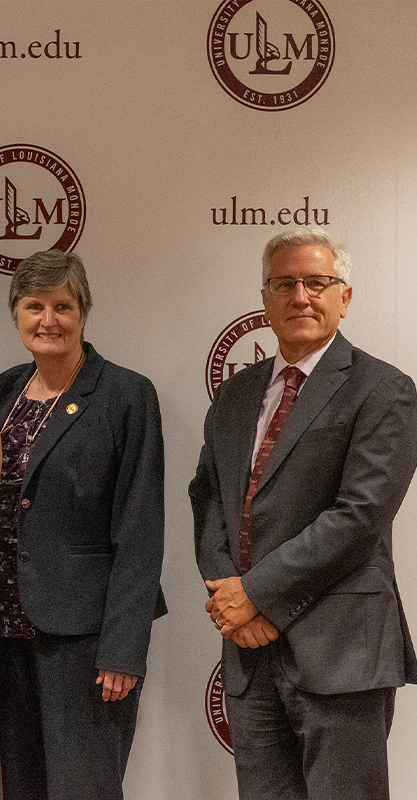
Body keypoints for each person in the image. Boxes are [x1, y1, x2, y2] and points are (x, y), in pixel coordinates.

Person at [191, 227, 417, 800]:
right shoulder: (236, 395)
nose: (300, 297)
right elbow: (209, 498)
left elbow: (360, 516)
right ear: (265, 300)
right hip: (248, 651)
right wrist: (232, 600)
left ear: (345, 297)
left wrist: (256, 595)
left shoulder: (384, 389)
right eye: (284, 284)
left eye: (317, 283)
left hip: (340, 652)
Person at [0, 249, 165, 800]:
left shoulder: (126, 395)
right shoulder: (4, 390)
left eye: (62, 306)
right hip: (8, 627)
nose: (48, 320)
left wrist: (123, 650)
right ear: (16, 315)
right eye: (34, 306)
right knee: (24, 787)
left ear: (83, 312)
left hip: (85, 638)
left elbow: (140, 529)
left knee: (83, 788)